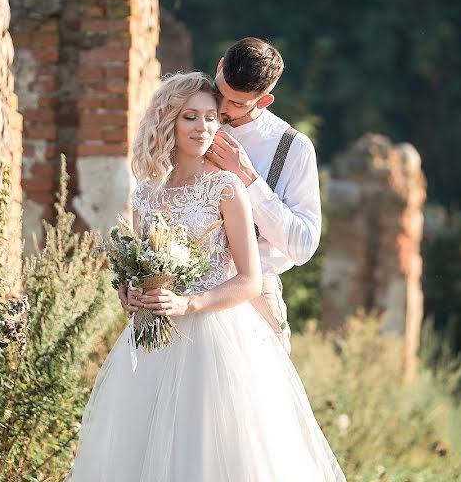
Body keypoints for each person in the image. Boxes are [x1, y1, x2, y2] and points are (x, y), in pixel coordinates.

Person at [67, 72, 345, 482]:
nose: (204, 128)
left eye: (212, 118)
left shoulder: (226, 186)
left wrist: (188, 303)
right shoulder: (146, 192)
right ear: (168, 121)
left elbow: (249, 280)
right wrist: (132, 294)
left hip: (218, 337)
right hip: (156, 340)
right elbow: (144, 264)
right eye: (190, 118)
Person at [122, 37, 319, 353]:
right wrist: (134, 284)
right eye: (220, 91)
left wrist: (249, 180)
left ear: (264, 100)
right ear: (218, 68)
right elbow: (153, 205)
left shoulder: (292, 148)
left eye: (237, 103)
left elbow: (303, 246)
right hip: (172, 296)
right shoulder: (193, 113)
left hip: (255, 294)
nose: (221, 108)